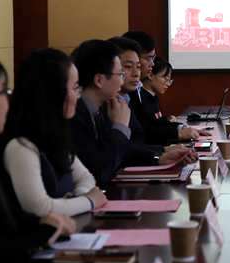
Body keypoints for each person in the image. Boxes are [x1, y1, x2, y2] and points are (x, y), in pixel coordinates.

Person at [0, 53, 75, 263]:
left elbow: (4, 221)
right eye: (3, 91)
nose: (8, 101)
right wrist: (44, 232)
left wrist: (41, 223)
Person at [70, 40, 195, 188]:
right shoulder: (75, 114)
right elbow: (101, 170)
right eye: (121, 73)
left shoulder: (100, 108)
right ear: (99, 80)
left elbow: (125, 151)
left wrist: (158, 157)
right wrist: (120, 128)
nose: (133, 75)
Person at [3, 49, 107, 217]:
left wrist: (77, 197)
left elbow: (86, 178)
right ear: (53, 92)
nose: (78, 96)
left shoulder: (54, 135)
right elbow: (39, 208)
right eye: (75, 88)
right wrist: (88, 201)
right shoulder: (20, 146)